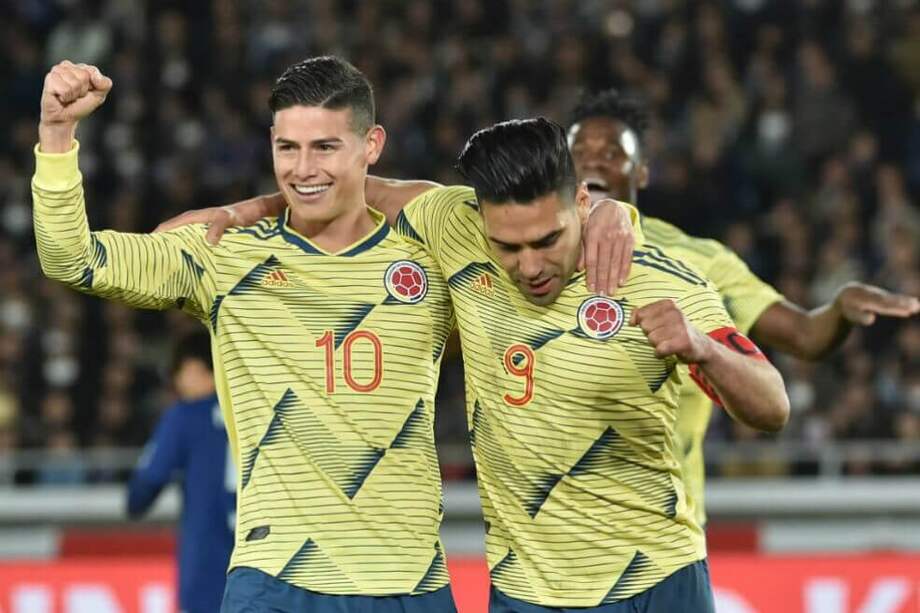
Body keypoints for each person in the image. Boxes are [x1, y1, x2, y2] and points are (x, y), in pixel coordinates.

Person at [170, 118, 789, 611]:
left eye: (547, 240)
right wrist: (240, 212)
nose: (529, 265)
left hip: (659, 578)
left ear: (579, 200)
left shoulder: (657, 281)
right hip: (526, 591)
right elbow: (342, 192)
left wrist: (702, 349)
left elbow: (772, 405)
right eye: (508, 247)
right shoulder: (453, 226)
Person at [33, 56, 462, 612]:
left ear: (371, 144)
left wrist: (606, 217)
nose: (303, 169)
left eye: (326, 147)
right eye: (288, 148)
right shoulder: (223, 254)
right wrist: (58, 136)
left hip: (410, 583)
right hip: (276, 581)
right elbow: (75, 259)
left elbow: (532, 228)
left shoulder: (432, 259)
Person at [565, 88, 920, 526]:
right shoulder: (530, 257)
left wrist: (839, 310)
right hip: (559, 534)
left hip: (665, 536)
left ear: (641, 172)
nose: (592, 160)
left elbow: (805, 336)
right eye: (578, 151)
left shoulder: (699, 260)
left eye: (611, 152)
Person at [127, 330, 235, 613]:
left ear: (199, 369)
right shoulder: (261, 411)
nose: (177, 382)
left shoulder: (186, 416)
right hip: (267, 569)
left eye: (180, 371)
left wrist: (134, 500)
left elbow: (144, 487)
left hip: (207, 569)